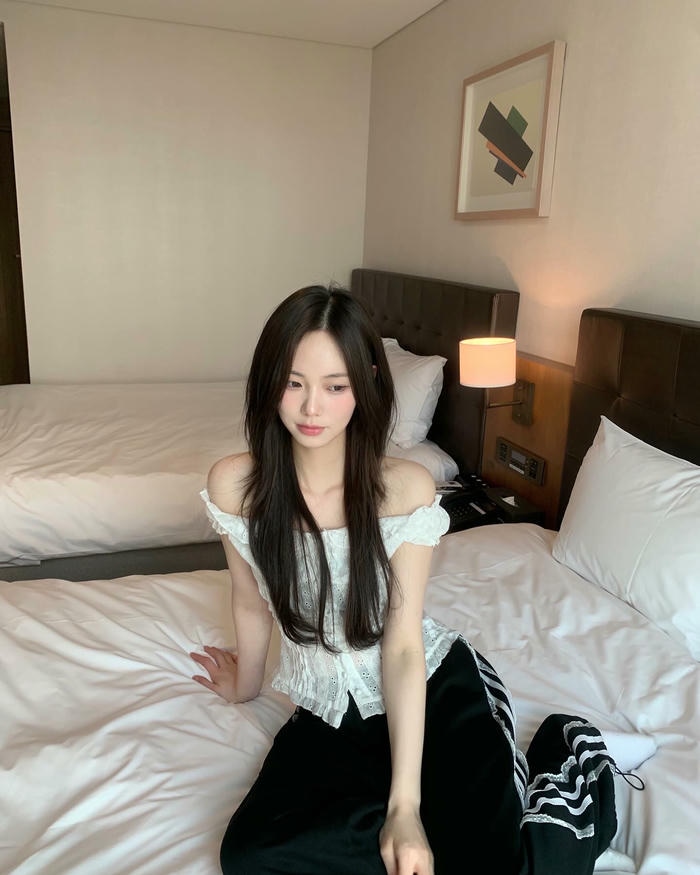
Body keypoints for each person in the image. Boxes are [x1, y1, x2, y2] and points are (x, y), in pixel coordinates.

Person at [191, 285, 616, 875]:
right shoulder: (236, 486)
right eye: (293, 383)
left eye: (335, 387)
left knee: (487, 865)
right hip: (328, 710)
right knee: (250, 856)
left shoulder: (403, 489)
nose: (312, 408)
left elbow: (403, 646)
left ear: (365, 384)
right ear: (268, 381)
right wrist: (246, 685)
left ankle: (566, 761)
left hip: (431, 689)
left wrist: (406, 808)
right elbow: (250, 601)